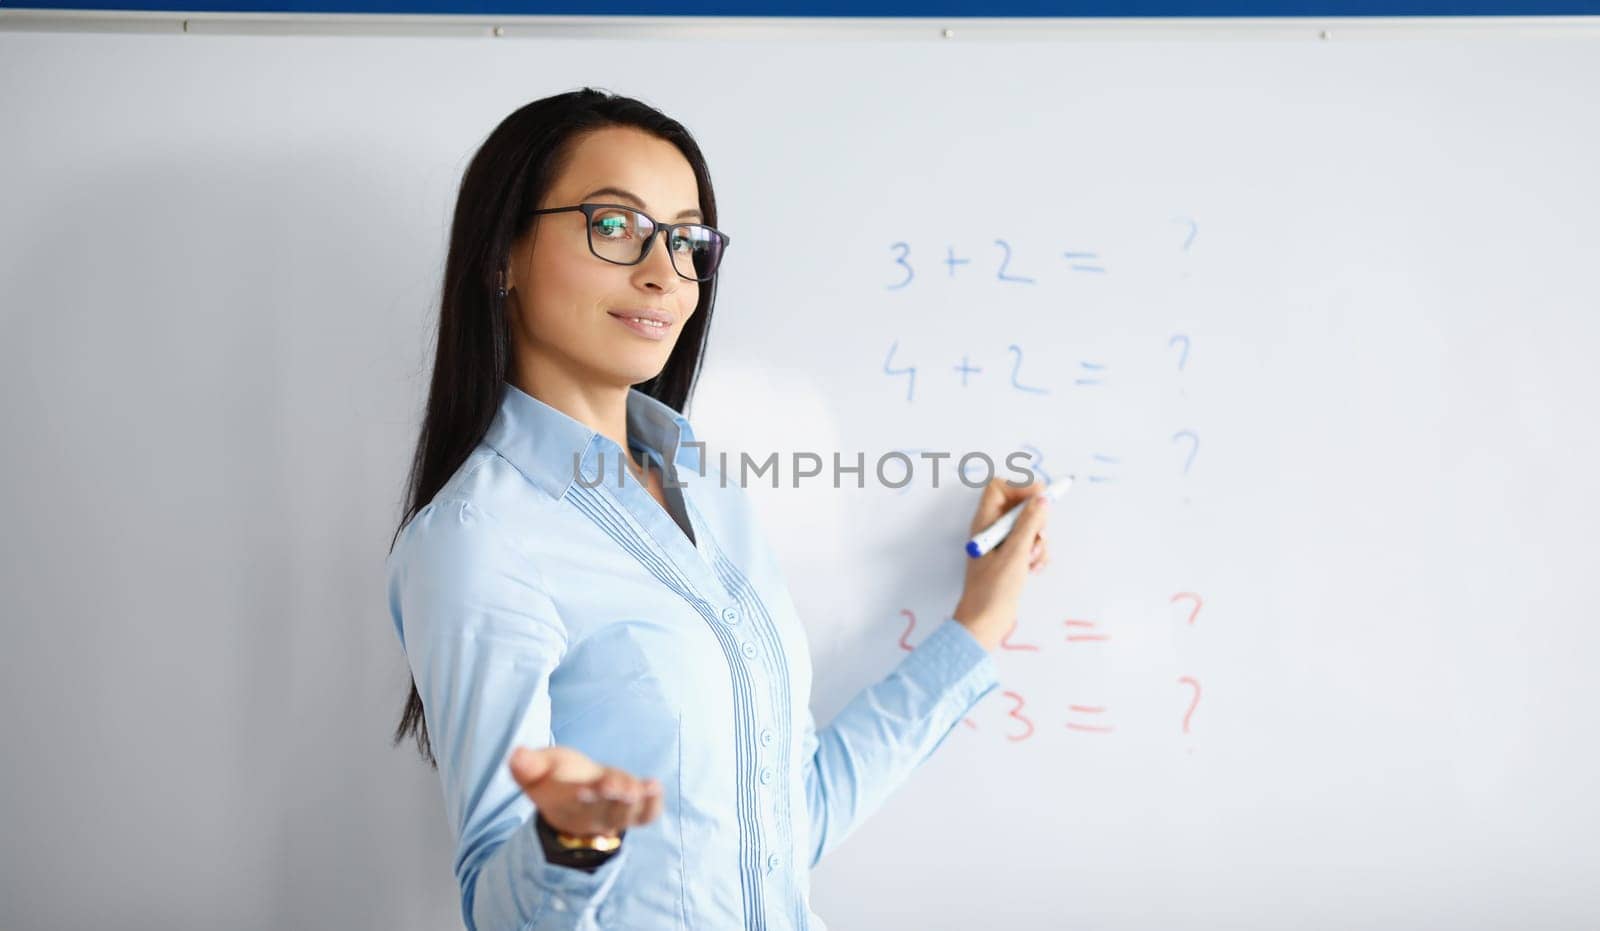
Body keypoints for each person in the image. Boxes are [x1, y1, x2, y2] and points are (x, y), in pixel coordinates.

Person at [385, 87, 1055, 931]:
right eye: (614, 224)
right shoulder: (478, 542)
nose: (664, 271)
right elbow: (498, 902)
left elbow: (789, 821)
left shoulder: (710, 491)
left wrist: (976, 630)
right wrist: (571, 840)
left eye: (686, 239)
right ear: (503, 256)